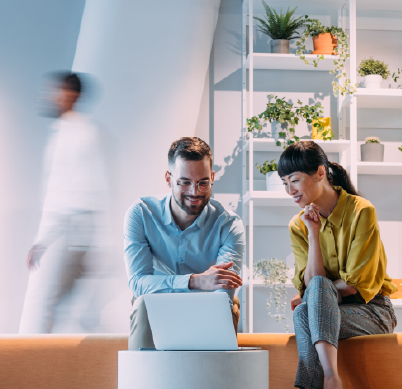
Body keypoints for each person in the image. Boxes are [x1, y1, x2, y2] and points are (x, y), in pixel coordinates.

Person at [278, 141, 398, 389]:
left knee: (309, 306)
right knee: (311, 302)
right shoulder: (298, 225)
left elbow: (357, 284)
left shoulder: (361, 211)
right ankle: (333, 387)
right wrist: (313, 233)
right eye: (284, 183)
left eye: (295, 180)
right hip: (332, 314)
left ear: (320, 173)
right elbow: (312, 282)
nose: (290, 189)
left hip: (372, 312)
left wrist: (317, 296)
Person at [124, 137, 244, 350]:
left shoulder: (229, 224)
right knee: (142, 302)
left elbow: (222, 294)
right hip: (156, 306)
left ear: (212, 178)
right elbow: (138, 284)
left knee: (227, 306)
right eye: (185, 182)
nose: (195, 192)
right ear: (169, 178)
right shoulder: (141, 214)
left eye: (203, 182)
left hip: (208, 308)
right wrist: (195, 281)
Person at [19, 72, 109, 333]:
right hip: (79, 229)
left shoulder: (73, 135)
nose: (53, 97)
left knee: (48, 302)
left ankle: (39, 367)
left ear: (73, 95)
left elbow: (61, 192)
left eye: (58, 91)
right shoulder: (81, 131)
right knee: (73, 306)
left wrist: (42, 240)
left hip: (71, 228)